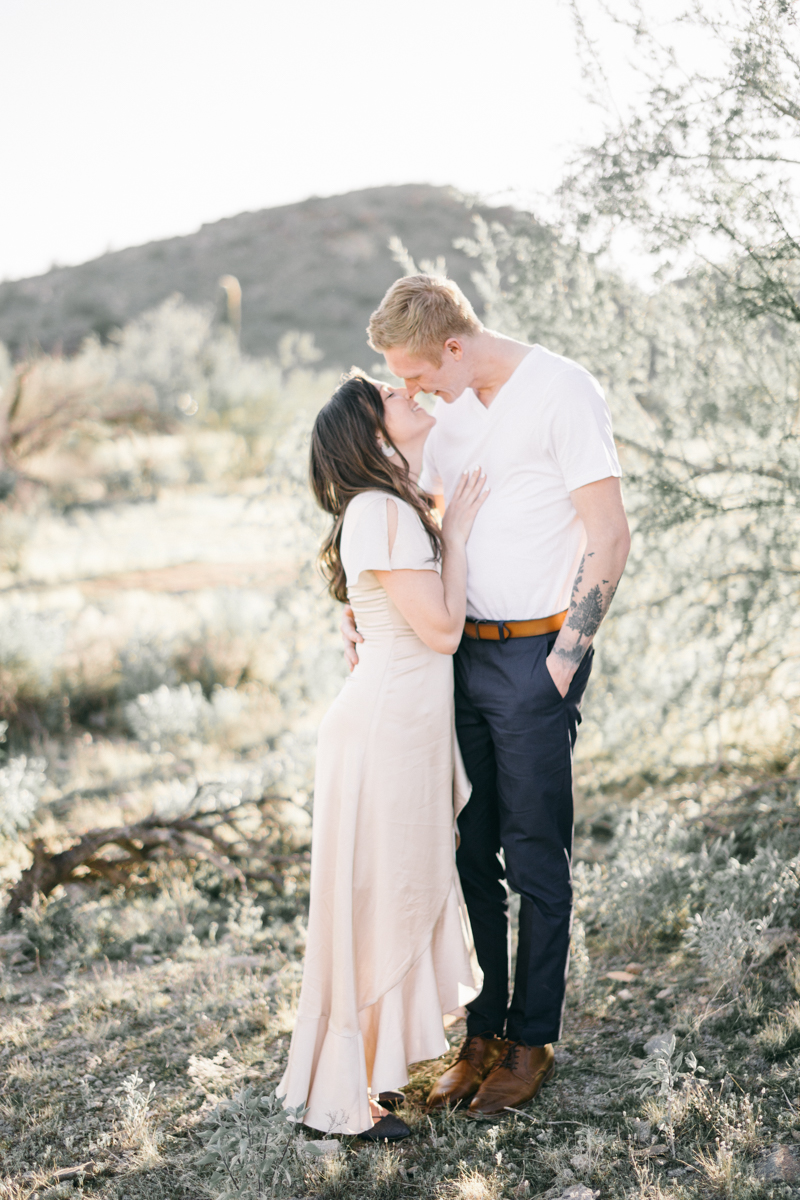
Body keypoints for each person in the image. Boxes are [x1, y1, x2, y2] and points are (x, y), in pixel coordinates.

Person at [341, 275, 631, 1117]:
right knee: (469, 852)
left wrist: (563, 662)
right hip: (455, 660)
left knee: (536, 853)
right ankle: (482, 1032)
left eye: (417, 372)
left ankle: (532, 1040)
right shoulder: (448, 412)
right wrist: (355, 613)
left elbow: (609, 534)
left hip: (538, 653)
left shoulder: (563, 391)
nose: (412, 390)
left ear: (456, 347)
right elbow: (399, 506)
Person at [277, 372, 489, 1140]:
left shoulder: (388, 508)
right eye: (395, 401)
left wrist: (440, 520)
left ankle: (361, 1080)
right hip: (383, 732)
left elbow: (389, 600)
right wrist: (456, 534)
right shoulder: (377, 510)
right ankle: (339, 1107)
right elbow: (439, 631)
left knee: (386, 895)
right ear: (373, 437)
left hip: (399, 723)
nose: (413, 396)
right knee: (372, 902)